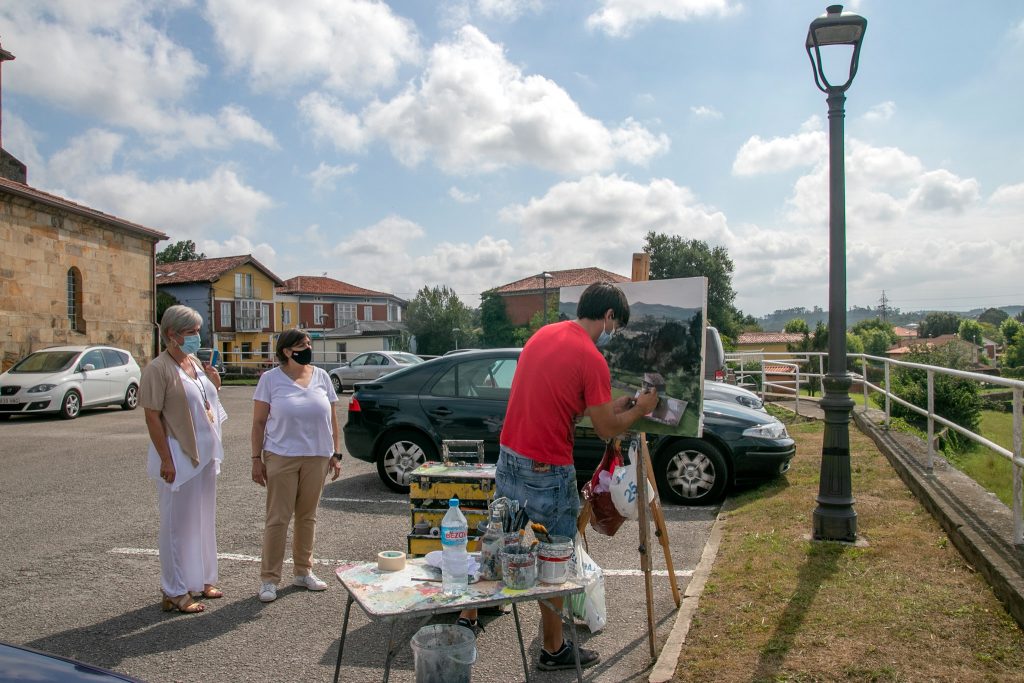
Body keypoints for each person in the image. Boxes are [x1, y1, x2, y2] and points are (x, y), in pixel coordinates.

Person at [459, 282, 658, 670]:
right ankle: (553, 649)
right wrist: (640, 409)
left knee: (502, 540)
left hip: (511, 456)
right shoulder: (591, 357)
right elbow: (605, 429)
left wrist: (607, 405)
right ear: (610, 316)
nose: (612, 333)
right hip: (545, 468)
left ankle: (468, 617)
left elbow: (560, 401)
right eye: (615, 325)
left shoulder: (544, 335)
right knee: (552, 558)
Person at [141, 305, 226, 614]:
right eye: (190, 332)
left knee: (202, 519)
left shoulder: (193, 362)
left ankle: (202, 579)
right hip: (178, 454)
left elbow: (203, 402)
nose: (196, 337)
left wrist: (214, 382)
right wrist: (166, 459)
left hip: (205, 453)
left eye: (197, 331)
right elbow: (152, 416)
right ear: (171, 335)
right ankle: (175, 590)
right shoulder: (158, 369)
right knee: (176, 526)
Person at [251, 329, 342, 603]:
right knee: (278, 518)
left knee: (307, 516)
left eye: (309, 344)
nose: (308, 348)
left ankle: (303, 571)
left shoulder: (322, 377)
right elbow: (258, 423)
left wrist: (336, 453)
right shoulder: (270, 380)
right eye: (302, 345)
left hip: (317, 456)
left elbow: (332, 418)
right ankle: (269, 579)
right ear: (287, 351)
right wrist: (256, 459)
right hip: (281, 456)